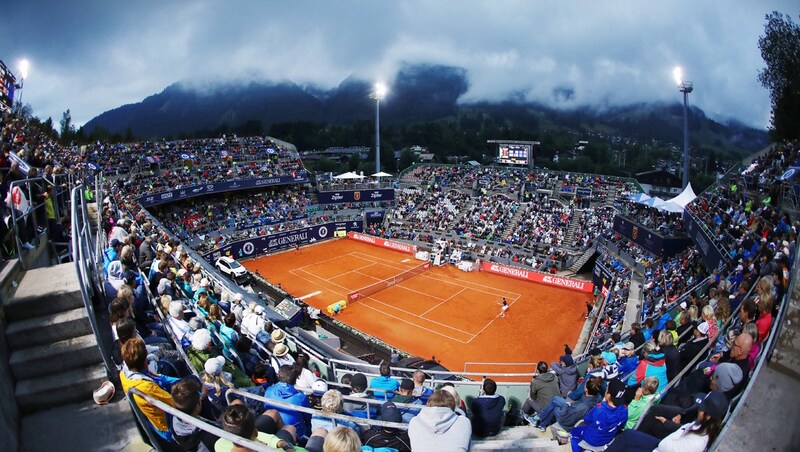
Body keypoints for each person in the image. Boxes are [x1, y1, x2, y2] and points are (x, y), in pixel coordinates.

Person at [605, 391, 728, 452]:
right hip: (665, 444)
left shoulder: (697, 442)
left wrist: (674, 431)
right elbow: (681, 431)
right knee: (627, 434)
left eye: (702, 409)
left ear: (708, 417)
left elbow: (664, 445)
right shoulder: (701, 425)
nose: (699, 410)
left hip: (662, 447)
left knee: (627, 447)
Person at [118, 337, 176, 441]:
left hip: (155, 417)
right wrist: (200, 395)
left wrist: (179, 380)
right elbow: (175, 403)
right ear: (145, 360)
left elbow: (159, 377)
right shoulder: (147, 387)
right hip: (167, 427)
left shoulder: (123, 373)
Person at [569, 378, 628, 451]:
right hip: (608, 438)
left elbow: (587, 421)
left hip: (593, 439)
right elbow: (621, 424)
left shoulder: (599, 409)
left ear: (608, 394)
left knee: (574, 433)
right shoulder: (624, 409)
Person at [535, 376, 604, 433]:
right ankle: (542, 424)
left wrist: (567, 405)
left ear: (586, 390)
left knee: (555, 406)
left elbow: (564, 415)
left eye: (585, 384)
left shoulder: (582, 407)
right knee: (555, 399)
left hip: (568, 423)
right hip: (575, 408)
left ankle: (540, 419)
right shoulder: (598, 397)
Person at [263, 365, 312, 439]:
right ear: (295, 379)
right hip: (296, 436)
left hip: (274, 432)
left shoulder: (269, 390)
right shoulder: (301, 397)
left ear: (278, 376)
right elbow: (309, 419)